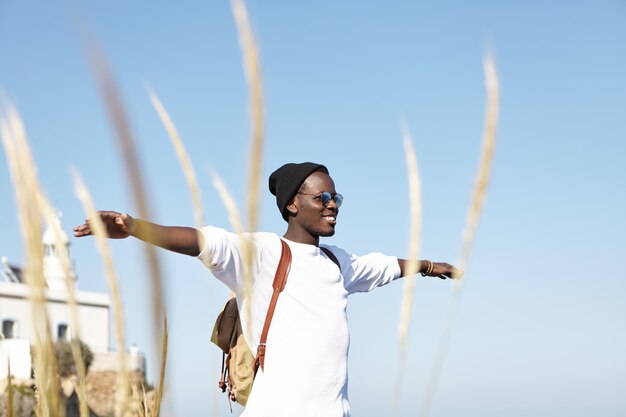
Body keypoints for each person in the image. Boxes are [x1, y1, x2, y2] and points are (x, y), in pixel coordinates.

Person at [73, 162, 460, 417]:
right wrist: (134, 226)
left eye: (336, 198)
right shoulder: (262, 253)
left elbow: (382, 266)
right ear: (292, 204)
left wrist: (426, 267)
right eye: (322, 198)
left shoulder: (337, 262)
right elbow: (204, 241)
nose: (333, 205)